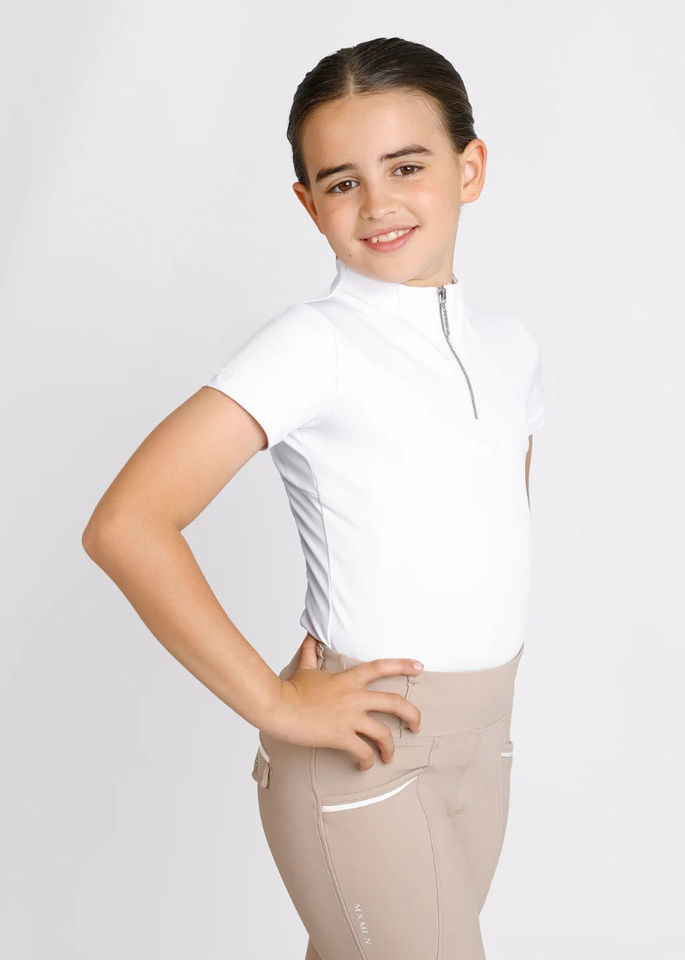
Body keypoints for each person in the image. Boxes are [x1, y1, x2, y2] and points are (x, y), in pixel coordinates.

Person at [82, 36, 547, 960]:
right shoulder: (314, 344)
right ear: (308, 204)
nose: (377, 204)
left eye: (406, 166)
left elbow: (491, 530)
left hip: (483, 743)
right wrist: (275, 703)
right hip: (364, 751)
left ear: (469, 168)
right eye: (341, 182)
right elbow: (127, 525)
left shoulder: (511, 348)